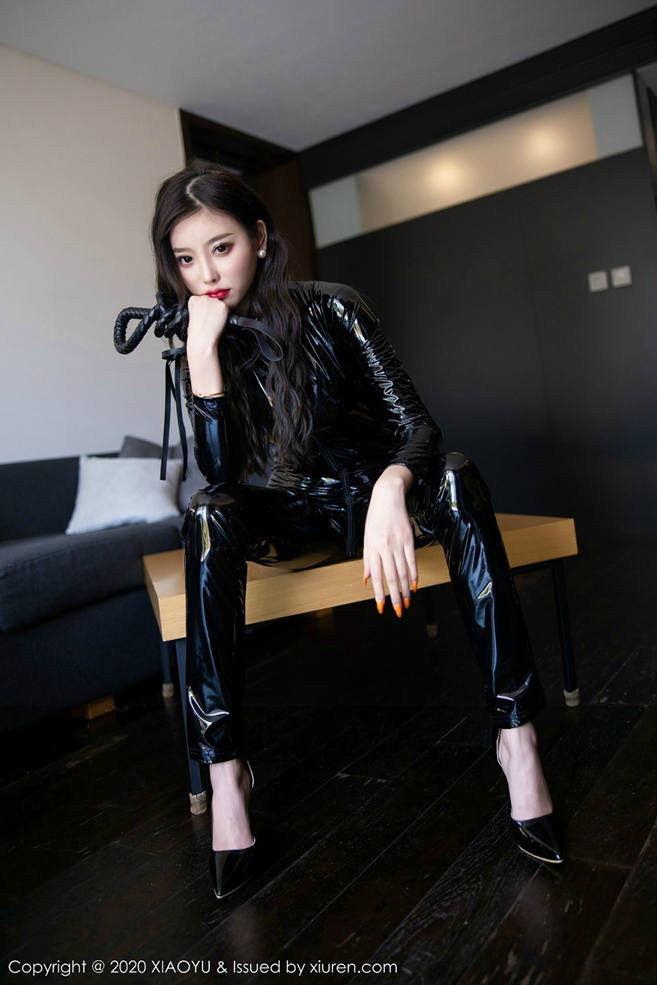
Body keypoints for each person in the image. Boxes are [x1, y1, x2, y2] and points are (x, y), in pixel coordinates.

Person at [149, 163, 564, 899]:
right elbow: (220, 475)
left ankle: (517, 738)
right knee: (206, 512)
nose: (205, 275)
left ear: (259, 238)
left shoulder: (333, 308)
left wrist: (391, 486)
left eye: (221, 248)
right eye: (185, 258)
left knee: (457, 475)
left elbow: (419, 427)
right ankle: (226, 773)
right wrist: (204, 357)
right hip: (283, 517)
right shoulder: (198, 337)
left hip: (374, 502)